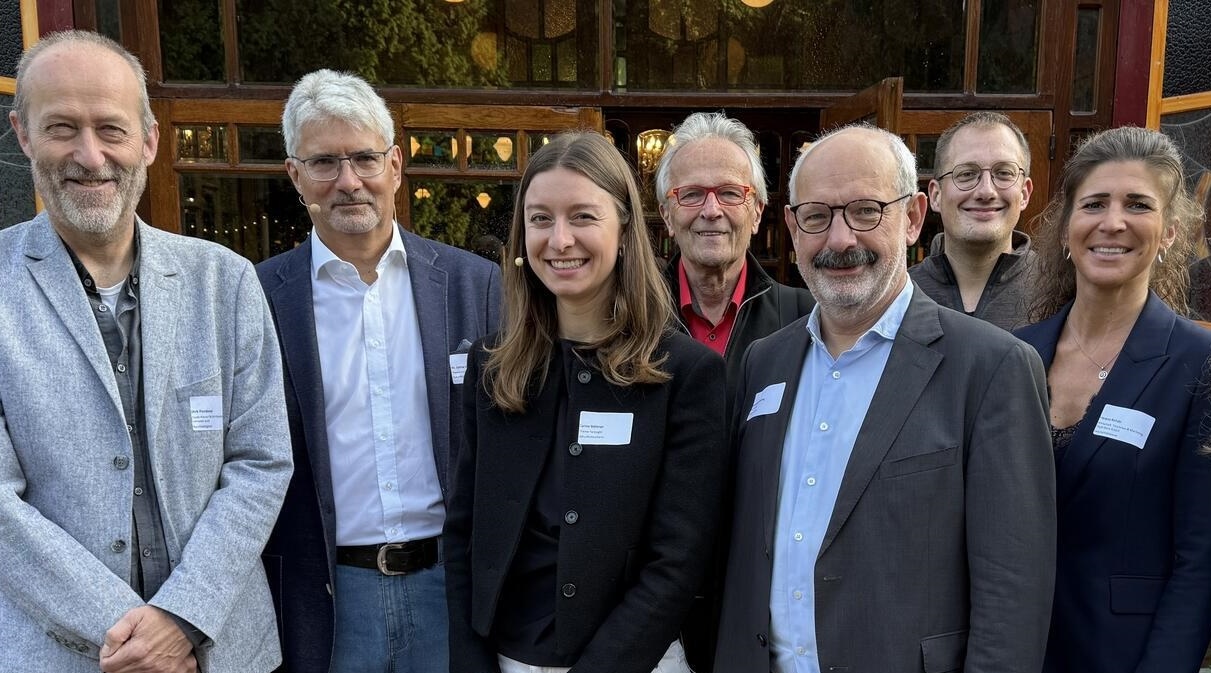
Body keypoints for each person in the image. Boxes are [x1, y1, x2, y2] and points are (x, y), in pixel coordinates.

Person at [0, 30, 292, 673]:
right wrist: (136, 639)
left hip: (219, 651)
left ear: (150, 141)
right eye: (61, 128)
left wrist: (184, 617)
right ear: (23, 136)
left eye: (111, 129)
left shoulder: (225, 281)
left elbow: (262, 462)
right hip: (58, 656)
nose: (90, 155)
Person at [715, 125, 1056, 673]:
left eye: (866, 211)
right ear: (793, 229)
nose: (840, 239)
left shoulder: (992, 368)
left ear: (914, 217)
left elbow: (1013, 595)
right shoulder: (764, 362)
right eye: (817, 216)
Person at [444, 131, 728, 673]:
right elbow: (464, 535)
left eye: (582, 216)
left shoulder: (685, 374)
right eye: (541, 218)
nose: (560, 239)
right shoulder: (492, 366)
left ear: (624, 230)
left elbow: (678, 561)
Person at [257, 69, 501, 673]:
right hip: (326, 596)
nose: (349, 181)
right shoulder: (258, 297)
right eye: (324, 162)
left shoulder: (475, 285)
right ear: (295, 175)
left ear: (395, 165)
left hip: (450, 586)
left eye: (365, 158)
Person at [1015, 126, 1211, 673]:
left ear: (1170, 232)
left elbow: (1200, 560)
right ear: (1066, 228)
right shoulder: (1014, 354)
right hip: (1011, 650)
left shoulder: (1199, 364)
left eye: (1138, 205)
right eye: (1094, 203)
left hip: (1125, 656)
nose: (1113, 222)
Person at [656, 111, 814, 399]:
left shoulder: (805, 318)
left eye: (730, 193)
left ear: (757, 213)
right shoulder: (632, 317)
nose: (711, 211)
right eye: (691, 194)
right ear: (667, 216)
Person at [909, 111, 1036, 330]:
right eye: (967, 174)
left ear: (1024, 193)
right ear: (936, 196)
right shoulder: (901, 298)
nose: (986, 191)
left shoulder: (1060, 293)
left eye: (1004, 173)